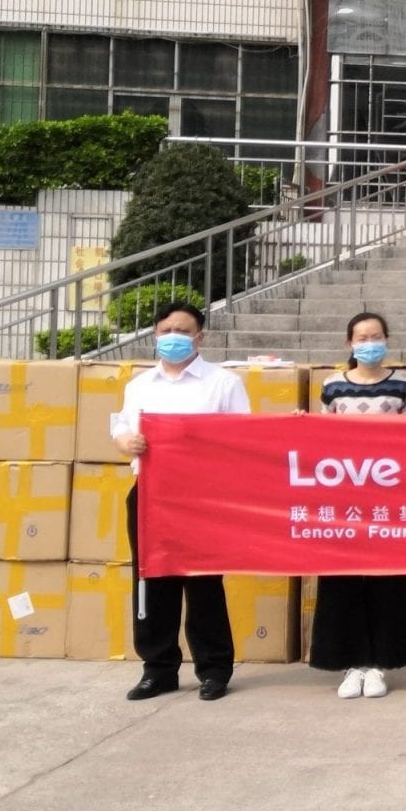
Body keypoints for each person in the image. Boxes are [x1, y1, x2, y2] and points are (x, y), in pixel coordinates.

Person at [111, 300, 250, 702]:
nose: (174, 337)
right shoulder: (139, 385)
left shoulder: (222, 383)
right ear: (155, 335)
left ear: (200, 337)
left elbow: (241, 439)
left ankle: (214, 669)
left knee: (204, 584)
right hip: (152, 495)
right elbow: (121, 425)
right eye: (167, 330)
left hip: (203, 497)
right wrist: (125, 442)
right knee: (152, 582)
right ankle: (158, 669)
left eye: (184, 331)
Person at [310, 312, 406, 699]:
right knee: (342, 579)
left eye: (376, 336)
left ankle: (379, 665)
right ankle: (350, 664)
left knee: (385, 580)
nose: (369, 342)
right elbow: (321, 437)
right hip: (344, 498)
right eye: (361, 337)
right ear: (349, 344)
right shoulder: (333, 385)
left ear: (387, 340)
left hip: (389, 498)